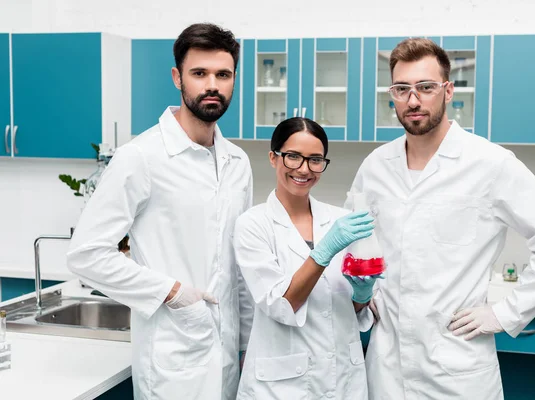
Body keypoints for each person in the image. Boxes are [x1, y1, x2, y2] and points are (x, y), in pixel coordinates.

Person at [346, 38, 535, 400]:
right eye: (401, 89)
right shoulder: (375, 167)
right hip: (387, 366)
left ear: (448, 90)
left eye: (425, 87)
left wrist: (505, 313)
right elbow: (357, 238)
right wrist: (366, 291)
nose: (413, 100)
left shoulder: (489, 163)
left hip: (456, 371)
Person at [66, 23, 253, 400]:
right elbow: (86, 254)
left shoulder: (238, 163)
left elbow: (239, 266)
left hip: (227, 362)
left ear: (234, 79)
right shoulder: (141, 157)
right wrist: (172, 292)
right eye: (199, 73)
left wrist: (248, 345)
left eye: (223, 74)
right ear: (177, 78)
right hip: (172, 362)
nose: (212, 85)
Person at [233, 117, 380, 399]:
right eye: (293, 157)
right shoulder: (253, 224)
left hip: (342, 378)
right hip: (281, 384)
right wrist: (324, 251)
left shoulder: (340, 219)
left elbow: (350, 307)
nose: (304, 169)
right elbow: (281, 305)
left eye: (315, 160)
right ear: (273, 158)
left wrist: (363, 294)